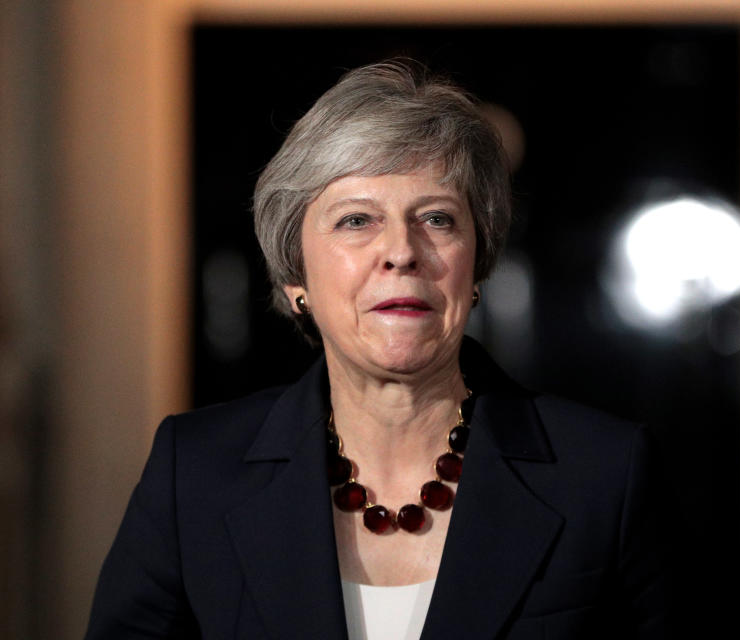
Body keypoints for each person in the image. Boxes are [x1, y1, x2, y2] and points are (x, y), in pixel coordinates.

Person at [85, 59, 665, 639]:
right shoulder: (194, 472)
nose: (401, 252)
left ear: (477, 263)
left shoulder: (605, 474)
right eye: (356, 220)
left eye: (437, 218)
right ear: (296, 277)